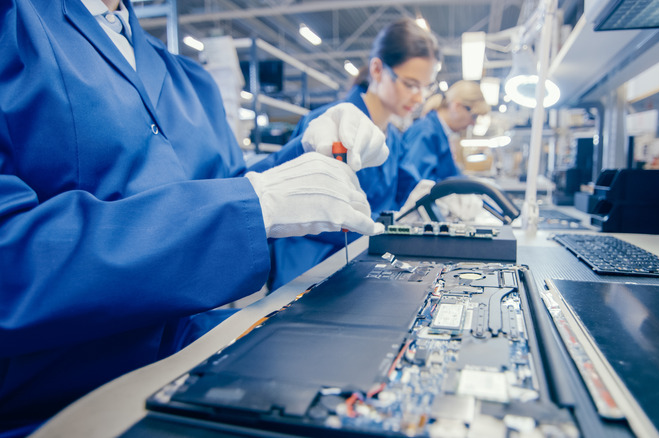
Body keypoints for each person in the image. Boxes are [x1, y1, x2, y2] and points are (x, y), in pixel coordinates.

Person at [0, 0, 388, 436]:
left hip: (197, 360)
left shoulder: (190, 80)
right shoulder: (15, 31)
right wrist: (255, 203)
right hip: (62, 407)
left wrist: (308, 149)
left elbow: (228, 185)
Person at [264, 17, 441, 291]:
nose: (419, 99)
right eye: (410, 84)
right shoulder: (330, 123)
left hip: (362, 265)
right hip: (309, 268)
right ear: (378, 69)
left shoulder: (394, 138)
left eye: (425, 88)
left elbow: (396, 200)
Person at [399, 80, 490, 197]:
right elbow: (417, 184)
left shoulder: (440, 134)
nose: (473, 123)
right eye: (473, 116)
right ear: (457, 106)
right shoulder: (425, 131)